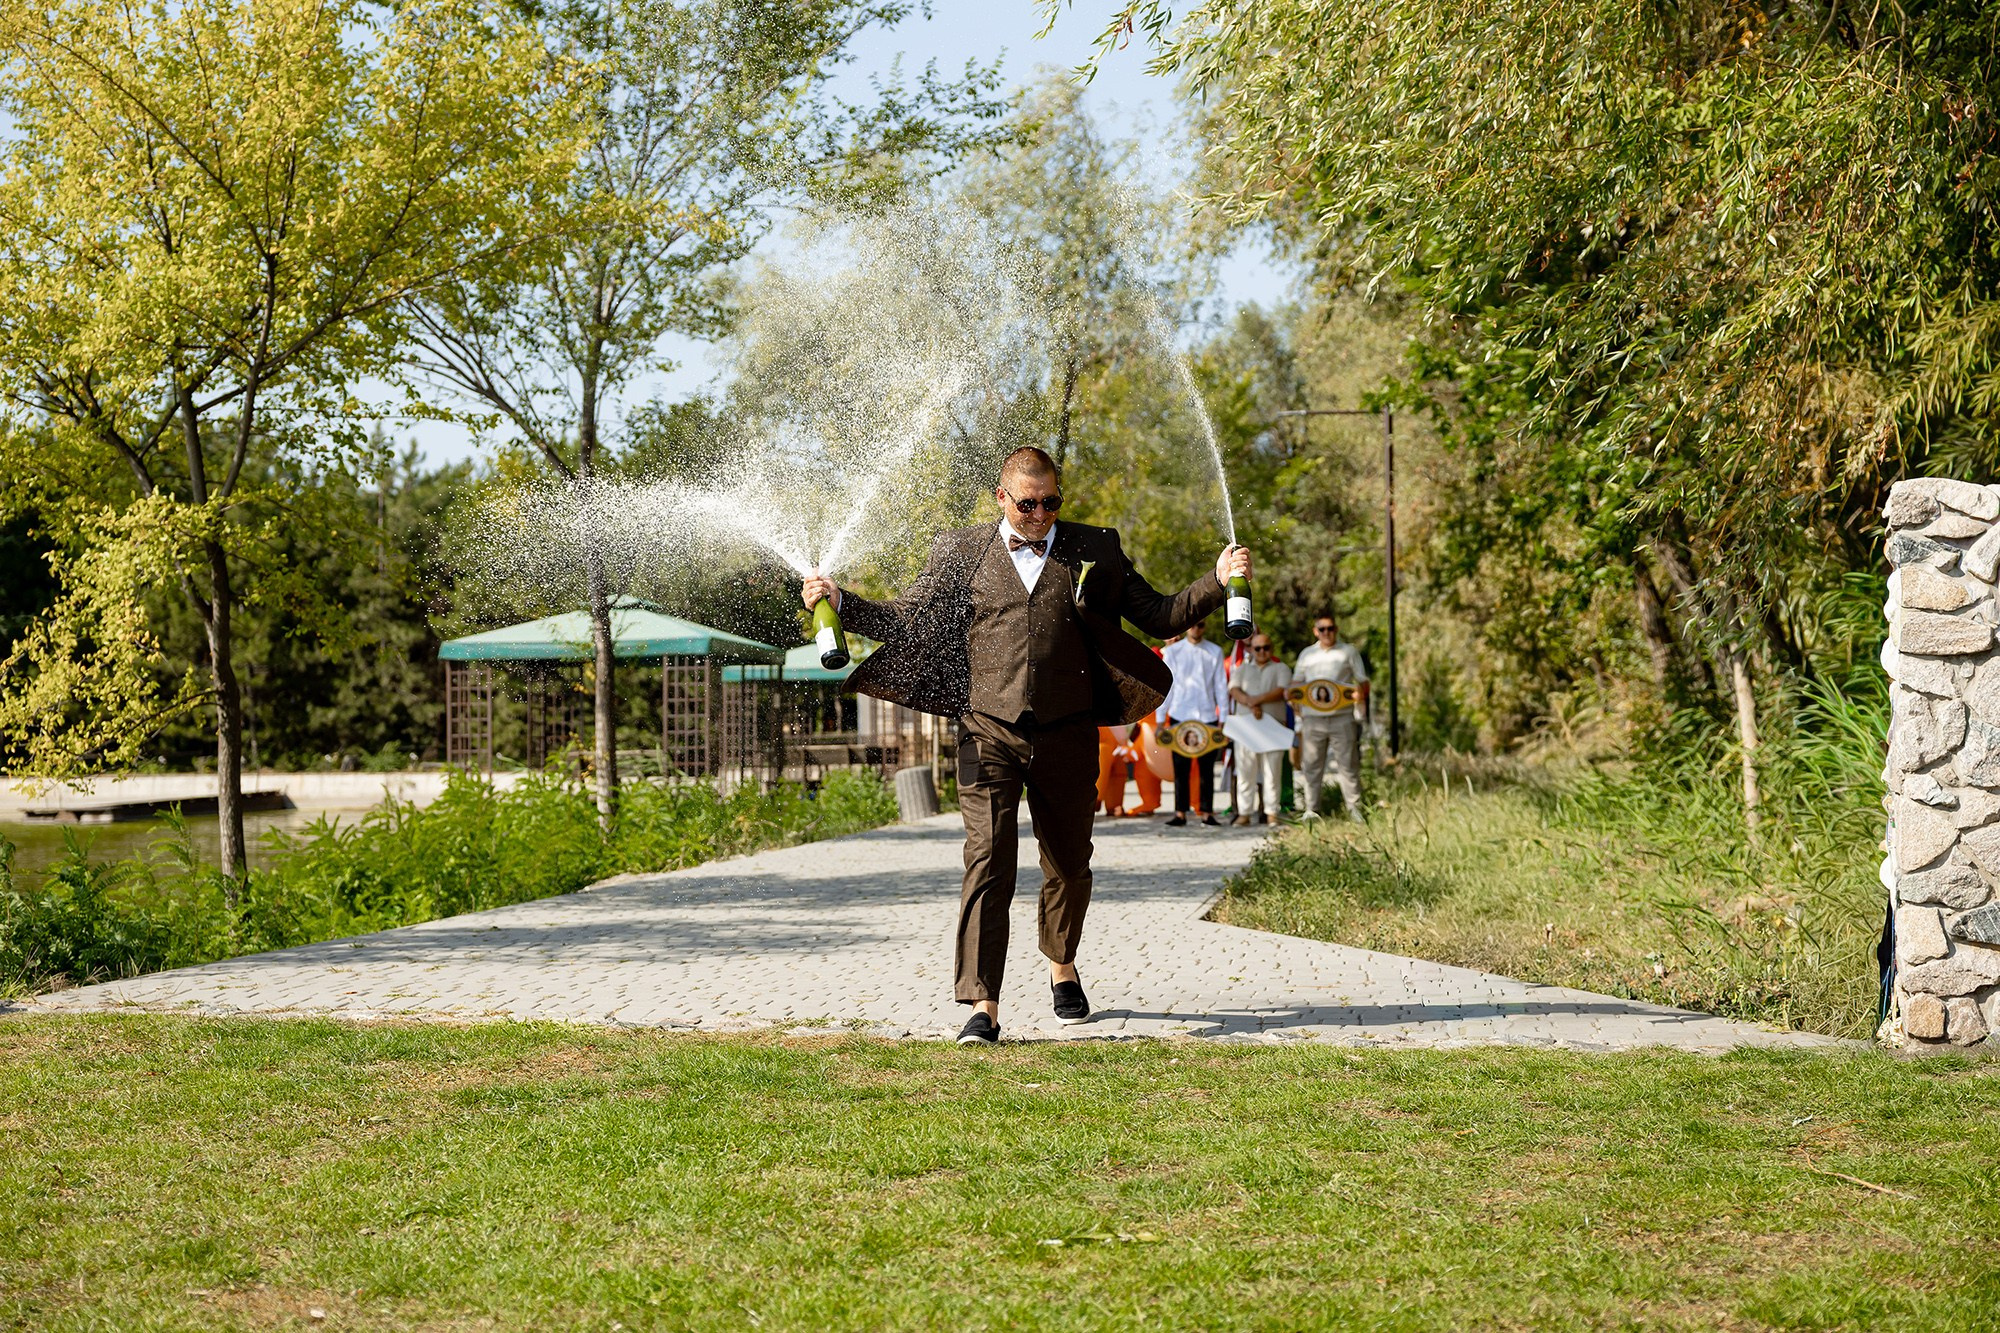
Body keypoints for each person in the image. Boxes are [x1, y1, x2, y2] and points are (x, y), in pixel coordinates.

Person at [802, 446, 1249, 1046]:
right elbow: (907, 620)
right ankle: (982, 1005)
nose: (1040, 514)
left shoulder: (1097, 549)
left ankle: (1062, 963)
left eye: (1051, 502)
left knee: (1069, 861)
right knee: (988, 861)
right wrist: (840, 600)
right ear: (1002, 498)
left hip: (1068, 731)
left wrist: (1216, 583)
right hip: (988, 729)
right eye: (1028, 503)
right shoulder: (960, 552)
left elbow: (1160, 614)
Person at [1294, 614, 1370, 820]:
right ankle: (1312, 810)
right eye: (1322, 629)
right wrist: (1297, 709)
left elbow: (1362, 681)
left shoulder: (1348, 651)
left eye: (1330, 628)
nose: (1326, 633)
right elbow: (1296, 684)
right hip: (1313, 719)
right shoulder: (1307, 654)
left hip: (1342, 717)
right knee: (1311, 765)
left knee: (1348, 765)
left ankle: (1355, 810)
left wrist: (1360, 698)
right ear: (1315, 631)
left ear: (1336, 629)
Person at [1158, 621, 1227, 828]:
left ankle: (1207, 812)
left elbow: (1220, 686)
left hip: (1207, 716)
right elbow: (1167, 687)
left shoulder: (1214, 651)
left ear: (1205, 627)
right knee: (1181, 768)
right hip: (1180, 714)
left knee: (1207, 769)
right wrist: (1160, 720)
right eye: (1193, 625)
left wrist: (1223, 718)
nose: (1196, 628)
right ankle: (1180, 813)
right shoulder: (1174, 652)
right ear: (1187, 627)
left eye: (1200, 625)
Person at [1228, 633, 1293, 826]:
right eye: (1258, 648)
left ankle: (1272, 812)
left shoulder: (1281, 668)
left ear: (1271, 648)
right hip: (1246, 727)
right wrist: (1251, 702)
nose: (1262, 652)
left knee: (1272, 772)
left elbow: (1281, 690)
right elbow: (1234, 690)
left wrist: (1257, 700)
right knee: (1245, 771)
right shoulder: (1242, 669)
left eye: (1266, 647)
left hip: (1273, 727)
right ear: (1251, 649)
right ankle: (1245, 813)